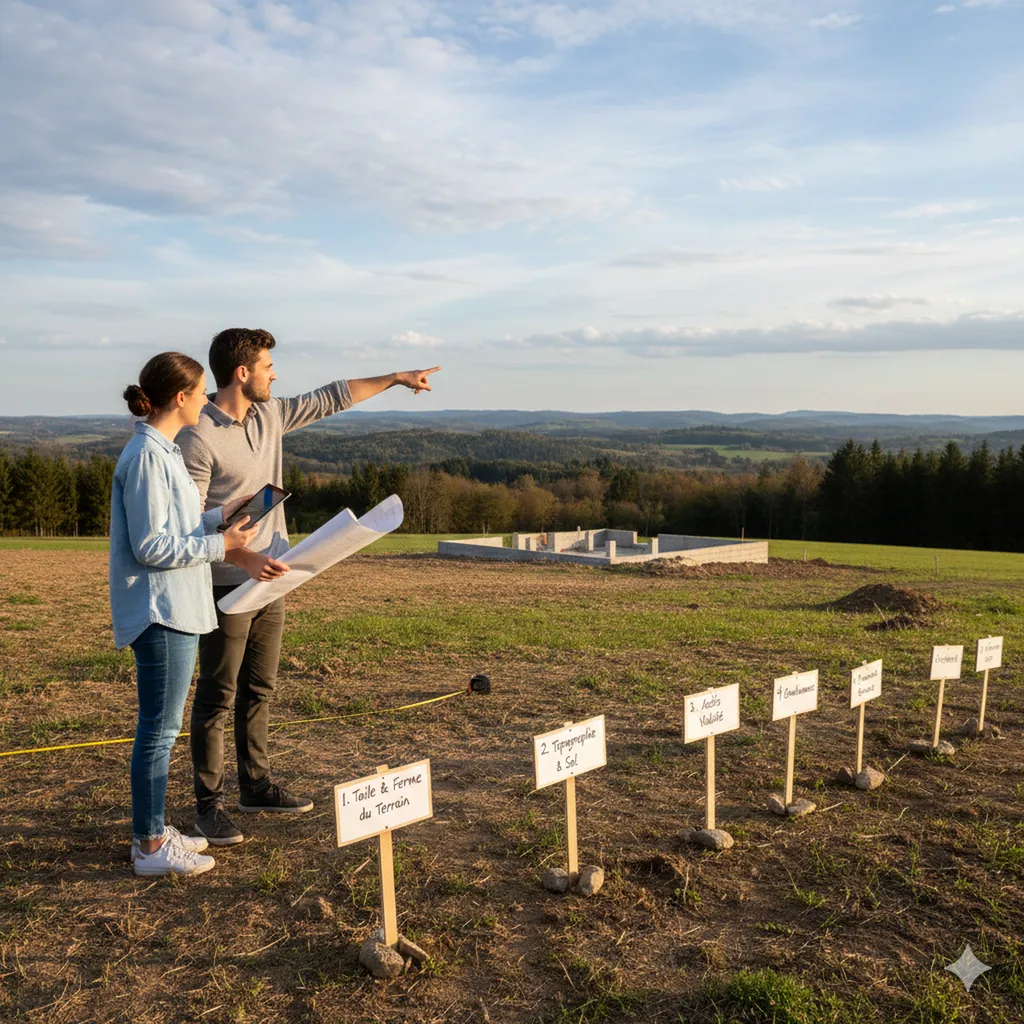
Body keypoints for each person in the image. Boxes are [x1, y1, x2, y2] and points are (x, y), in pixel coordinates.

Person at [178, 327, 440, 845]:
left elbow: (332, 396)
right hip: (225, 584)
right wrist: (244, 555)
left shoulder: (269, 414)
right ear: (242, 372)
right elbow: (191, 521)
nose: (276, 374)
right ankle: (208, 806)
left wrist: (393, 378)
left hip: (275, 579)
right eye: (268, 366)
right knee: (217, 694)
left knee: (261, 688)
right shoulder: (197, 435)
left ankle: (256, 786)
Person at [110, 352, 260, 876]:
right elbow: (152, 544)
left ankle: (151, 829)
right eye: (201, 394)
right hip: (162, 609)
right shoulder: (149, 456)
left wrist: (223, 514)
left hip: (175, 606)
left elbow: (181, 520)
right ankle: (149, 846)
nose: (208, 402)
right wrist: (222, 545)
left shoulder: (163, 450)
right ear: (181, 397)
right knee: (158, 729)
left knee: (162, 726)